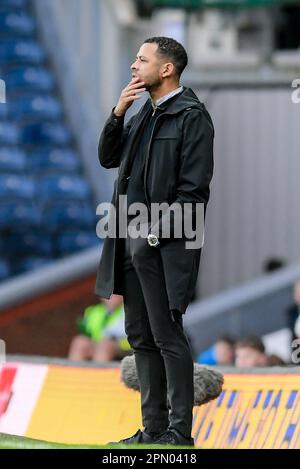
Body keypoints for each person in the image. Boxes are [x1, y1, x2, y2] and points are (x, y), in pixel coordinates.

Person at [95, 37, 214, 446]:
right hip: (127, 241)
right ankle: (154, 430)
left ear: (167, 69)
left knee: (167, 335)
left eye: (142, 59)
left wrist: (152, 234)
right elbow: (108, 159)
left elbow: (193, 194)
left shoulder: (191, 117)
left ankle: (179, 434)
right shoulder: (144, 113)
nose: (133, 65)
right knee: (141, 337)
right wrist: (117, 113)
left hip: (162, 245)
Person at [68, 294, 131, 362]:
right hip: (99, 344)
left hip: (124, 348)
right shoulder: (94, 311)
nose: (111, 296)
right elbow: (89, 333)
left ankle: (97, 372)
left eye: (115, 294)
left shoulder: (130, 311)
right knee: (79, 342)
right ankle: (72, 372)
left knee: (105, 346)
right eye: (109, 293)